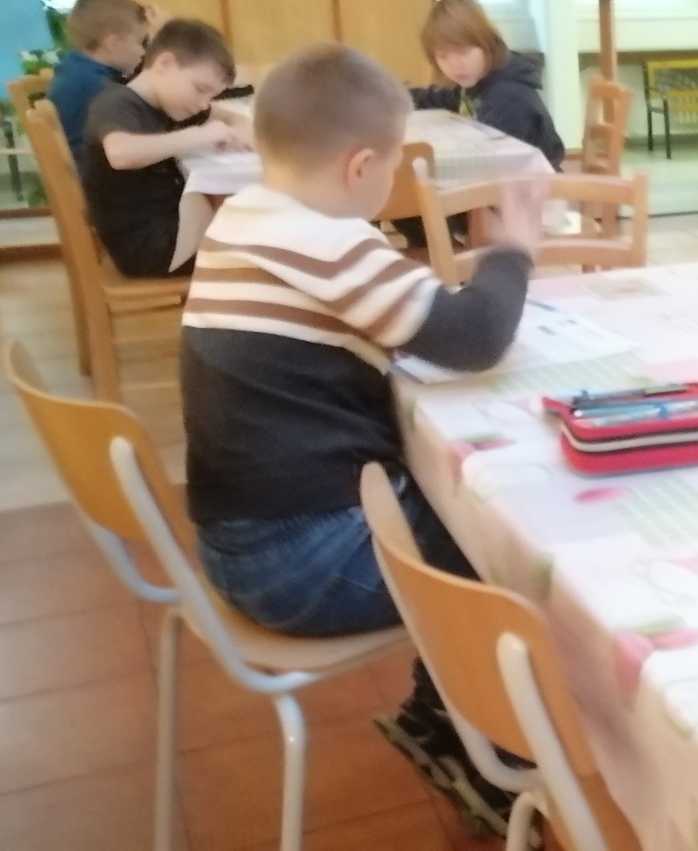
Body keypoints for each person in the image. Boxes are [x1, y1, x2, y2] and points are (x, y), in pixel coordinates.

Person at [180, 41, 548, 836]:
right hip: (299, 561)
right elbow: (473, 336)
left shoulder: (246, 215)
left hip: (245, 538)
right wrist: (512, 250)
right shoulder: (322, 239)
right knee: (507, 550)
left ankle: (439, 715)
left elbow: (402, 316)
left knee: (458, 515)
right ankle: (497, 753)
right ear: (359, 168)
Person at [81, 19, 252, 278]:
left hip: (173, 230)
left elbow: (229, 117)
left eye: (211, 96)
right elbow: (120, 154)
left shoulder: (168, 103)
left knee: (267, 230)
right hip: (151, 249)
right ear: (165, 63)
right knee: (273, 245)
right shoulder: (117, 103)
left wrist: (239, 132)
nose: (203, 103)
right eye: (200, 89)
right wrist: (196, 136)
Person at [396, 0, 566, 248]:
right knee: (406, 195)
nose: (455, 64)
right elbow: (441, 97)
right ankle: (447, 259)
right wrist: (396, 96)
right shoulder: (479, 81)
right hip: (496, 192)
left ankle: (451, 262)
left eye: (463, 51)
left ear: (486, 44)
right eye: (443, 56)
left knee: (409, 198)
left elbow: (490, 165)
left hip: (525, 202)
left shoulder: (507, 95)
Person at [45, 0, 168, 171]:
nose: (144, 52)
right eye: (141, 42)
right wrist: (170, 34)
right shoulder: (97, 87)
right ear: (113, 43)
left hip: (85, 169)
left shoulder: (76, 67)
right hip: (98, 177)